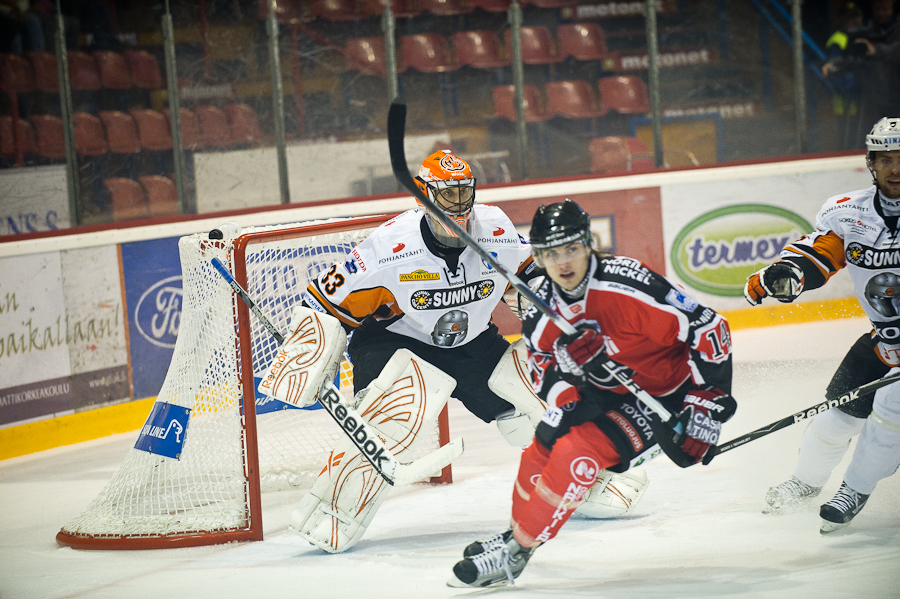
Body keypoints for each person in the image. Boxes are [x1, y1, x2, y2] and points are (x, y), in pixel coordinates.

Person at [288, 151, 650, 553]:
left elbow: (530, 277)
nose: (458, 206)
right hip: (394, 343)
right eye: (447, 196)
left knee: (537, 391)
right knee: (395, 417)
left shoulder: (494, 228)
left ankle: (587, 475)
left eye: (464, 194)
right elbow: (325, 302)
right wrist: (310, 355)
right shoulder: (390, 247)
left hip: (472, 342)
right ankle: (332, 509)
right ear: (423, 196)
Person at [448, 199, 736, 588]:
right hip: (606, 392)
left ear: (588, 245)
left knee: (573, 452)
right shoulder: (542, 307)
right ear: (539, 256)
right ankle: (516, 534)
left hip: (666, 395)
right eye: (551, 253)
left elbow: (709, 327)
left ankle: (516, 552)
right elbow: (543, 367)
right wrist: (573, 380)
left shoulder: (629, 285)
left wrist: (707, 403)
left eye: (571, 249)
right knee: (542, 443)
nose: (563, 263)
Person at [746, 117, 900, 533]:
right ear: (870, 163)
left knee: (890, 411)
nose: (895, 169)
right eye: (886, 159)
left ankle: (854, 489)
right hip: (883, 341)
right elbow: (820, 254)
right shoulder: (850, 212)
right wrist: (787, 274)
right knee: (835, 416)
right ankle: (806, 482)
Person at [822, 0, 899, 146]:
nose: (881, 12)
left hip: (894, 99)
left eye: (885, 8)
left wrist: (877, 51)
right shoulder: (867, 32)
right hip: (875, 102)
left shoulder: (894, 31)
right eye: (878, 8)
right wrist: (835, 65)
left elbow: (895, 50)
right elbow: (854, 59)